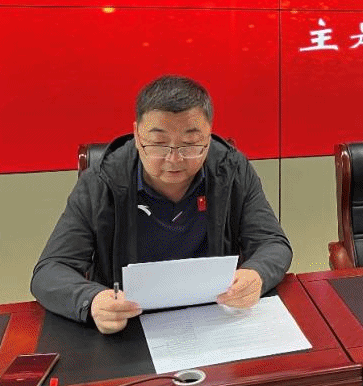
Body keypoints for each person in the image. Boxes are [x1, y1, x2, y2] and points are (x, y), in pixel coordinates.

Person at [31, 75, 292, 334]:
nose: (174, 159)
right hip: (129, 326)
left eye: (190, 144)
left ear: (209, 136)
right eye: (158, 144)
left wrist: (256, 274)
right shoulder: (102, 180)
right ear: (137, 135)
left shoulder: (231, 170)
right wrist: (92, 300)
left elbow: (273, 243)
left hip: (213, 320)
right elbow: (50, 271)